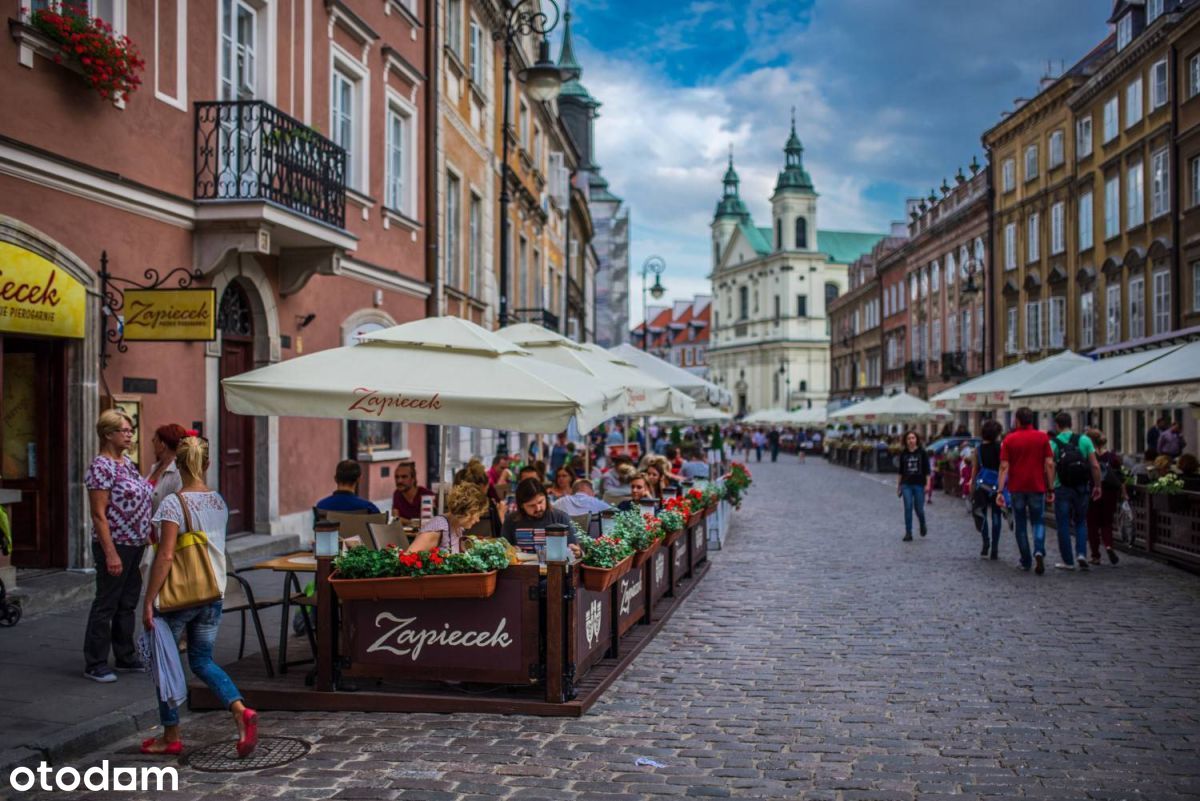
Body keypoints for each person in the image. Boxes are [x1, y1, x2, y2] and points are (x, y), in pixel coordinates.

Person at [142, 436, 257, 758]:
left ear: (177, 465)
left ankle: (171, 735)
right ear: (206, 464)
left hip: (178, 598)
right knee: (202, 660)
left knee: (165, 663)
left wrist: (149, 600)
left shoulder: (172, 504)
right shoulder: (219, 502)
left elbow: (165, 556)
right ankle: (240, 710)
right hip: (212, 592)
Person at [83, 410, 153, 683]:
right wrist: (110, 552)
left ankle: (125, 655)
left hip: (135, 543)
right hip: (114, 544)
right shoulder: (101, 467)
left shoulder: (127, 463)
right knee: (107, 603)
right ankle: (95, 662)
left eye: (130, 430)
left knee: (128, 602)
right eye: (124, 430)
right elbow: (99, 514)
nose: (130, 434)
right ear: (107, 434)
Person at [997, 407, 1055, 574]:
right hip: (1037, 486)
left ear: (1018, 420)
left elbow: (1004, 466)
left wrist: (1000, 491)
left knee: (1020, 524)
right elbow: (1049, 464)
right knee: (1038, 521)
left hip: (1017, 487)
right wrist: (1051, 487)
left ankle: (1026, 560)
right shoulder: (1042, 437)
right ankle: (1038, 549)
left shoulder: (1009, 439)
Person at [1050, 413, 1103, 572]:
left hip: (1062, 487)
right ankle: (1081, 553)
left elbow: (1050, 466)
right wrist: (1097, 485)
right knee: (1081, 521)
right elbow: (1095, 465)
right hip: (1081, 486)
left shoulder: (1053, 443)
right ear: (1071, 423)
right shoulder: (1085, 440)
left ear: (1057, 426)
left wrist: (1050, 487)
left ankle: (1068, 561)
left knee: (1063, 524)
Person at [501, 478, 581, 556]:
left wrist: (577, 553)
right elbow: (503, 551)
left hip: (553, 567)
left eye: (540, 502)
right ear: (522, 506)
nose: (538, 508)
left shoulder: (560, 518)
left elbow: (575, 551)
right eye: (532, 505)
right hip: (522, 568)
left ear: (546, 498)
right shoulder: (511, 520)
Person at [407, 483, 489, 554]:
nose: (478, 520)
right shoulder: (439, 527)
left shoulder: (458, 527)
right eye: (477, 515)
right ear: (468, 512)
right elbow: (408, 557)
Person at [1086, 429, 1124, 566]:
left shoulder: (1089, 456)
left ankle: (1095, 555)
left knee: (1092, 525)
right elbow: (1120, 477)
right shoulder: (1112, 457)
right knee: (1107, 523)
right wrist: (1124, 494)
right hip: (1109, 493)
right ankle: (1108, 545)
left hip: (1093, 492)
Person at [968, 420, 1005, 560]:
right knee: (996, 516)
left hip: (982, 485)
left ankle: (985, 544)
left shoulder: (978, 449)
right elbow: (1004, 467)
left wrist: (972, 486)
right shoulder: (1001, 447)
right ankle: (995, 547)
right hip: (996, 485)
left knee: (981, 514)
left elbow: (975, 469)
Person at [146, 423, 189, 514]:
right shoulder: (155, 467)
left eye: (155, 440)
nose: (152, 442)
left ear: (162, 445)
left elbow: (180, 507)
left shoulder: (179, 471)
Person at [896, 431, 930, 541]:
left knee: (919, 509)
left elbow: (927, 471)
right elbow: (900, 471)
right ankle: (908, 533)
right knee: (908, 507)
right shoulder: (903, 454)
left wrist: (928, 484)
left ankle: (922, 523)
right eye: (909, 438)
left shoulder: (922, 453)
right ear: (906, 441)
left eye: (913, 438)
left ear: (916, 440)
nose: (911, 440)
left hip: (919, 484)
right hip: (906, 484)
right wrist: (899, 486)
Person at [454, 460, 504, 534]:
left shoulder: (453, 503)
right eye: (487, 488)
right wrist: (501, 514)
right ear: (484, 486)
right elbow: (499, 533)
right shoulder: (488, 505)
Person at [314, 460, 380, 514]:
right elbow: (381, 527)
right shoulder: (369, 508)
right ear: (358, 479)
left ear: (335, 479)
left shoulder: (321, 506)